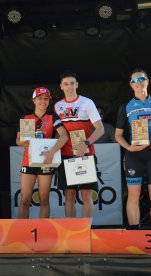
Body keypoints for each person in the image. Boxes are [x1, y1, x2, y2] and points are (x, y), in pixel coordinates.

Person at [115, 68, 151, 230]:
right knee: (133, 195)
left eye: (141, 79)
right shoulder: (126, 107)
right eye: (134, 81)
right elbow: (118, 135)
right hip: (134, 155)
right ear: (130, 85)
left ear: (147, 81)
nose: (138, 83)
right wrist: (129, 147)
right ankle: (135, 232)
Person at [54, 70, 104, 218]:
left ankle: (86, 231)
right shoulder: (57, 106)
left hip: (85, 153)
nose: (69, 87)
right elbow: (59, 132)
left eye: (72, 83)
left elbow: (100, 129)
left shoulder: (87, 102)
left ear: (77, 85)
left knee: (86, 195)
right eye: (66, 84)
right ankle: (71, 232)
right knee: (69, 196)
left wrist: (86, 143)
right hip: (66, 154)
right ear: (61, 87)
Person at [16, 87, 68, 218]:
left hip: (46, 161)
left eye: (46, 99)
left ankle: (43, 231)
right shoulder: (27, 118)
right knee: (24, 200)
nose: (43, 101)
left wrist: (52, 151)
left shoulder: (52, 117)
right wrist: (27, 142)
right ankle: (23, 233)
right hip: (28, 161)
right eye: (40, 99)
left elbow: (64, 136)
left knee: (44, 199)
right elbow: (18, 141)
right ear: (34, 100)